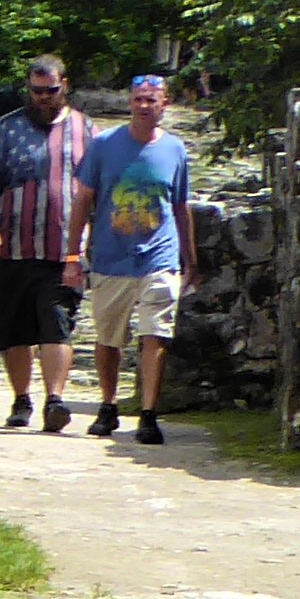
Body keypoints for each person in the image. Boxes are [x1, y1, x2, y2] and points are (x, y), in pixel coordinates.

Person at [66, 71, 195, 445]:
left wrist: (191, 258)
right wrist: (73, 253)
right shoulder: (104, 145)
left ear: (164, 105)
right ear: (130, 103)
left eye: (150, 100)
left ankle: (149, 413)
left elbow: (181, 205)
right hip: (112, 256)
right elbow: (83, 201)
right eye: (137, 99)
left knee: (156, 333)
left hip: (160, 255)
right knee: (109, 337)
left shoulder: (175, 149)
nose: (143, 106)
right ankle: (108, 406)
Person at [0, 55, 88, 431]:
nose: (43, 99)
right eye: (36, 91)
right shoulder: (7, 128)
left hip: (62, 249)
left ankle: (55, 399)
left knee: (57, 322)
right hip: (12, 249)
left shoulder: (86, 130)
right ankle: (21, 400)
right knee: (13, 329)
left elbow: (97, 186)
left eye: (50, 91)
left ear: (65, 85)